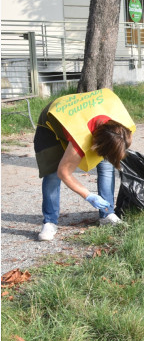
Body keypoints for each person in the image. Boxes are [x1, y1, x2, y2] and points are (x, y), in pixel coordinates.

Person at [34, 88, 135, 241]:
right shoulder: (80, 138)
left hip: (85, 115)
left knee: (106, 166)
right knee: (53, 174)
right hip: (51, 123)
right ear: (96, 143)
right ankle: (49, 222)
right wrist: (89, 196)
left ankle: (107, 214)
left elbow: (118, 144)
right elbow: (64, 173)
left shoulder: (122, 125)